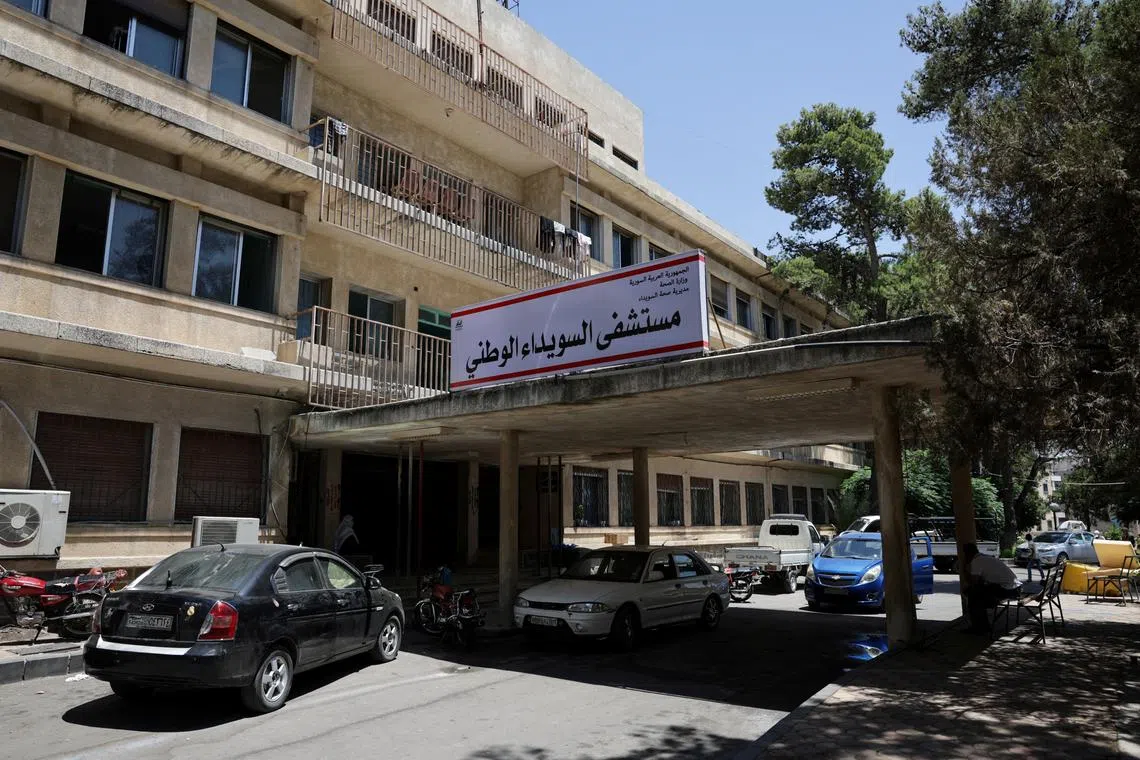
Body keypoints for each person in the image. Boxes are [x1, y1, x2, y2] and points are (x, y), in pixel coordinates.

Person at [964, 543, 1023, 633]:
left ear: (967, 554)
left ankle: (979, 627)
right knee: (976, 595)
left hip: (1008, 590)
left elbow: (974, 582)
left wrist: (966, 570)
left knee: (974, 596)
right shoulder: (986, 558)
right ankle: (982, 625)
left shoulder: (976, 561)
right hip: (1015, 588)